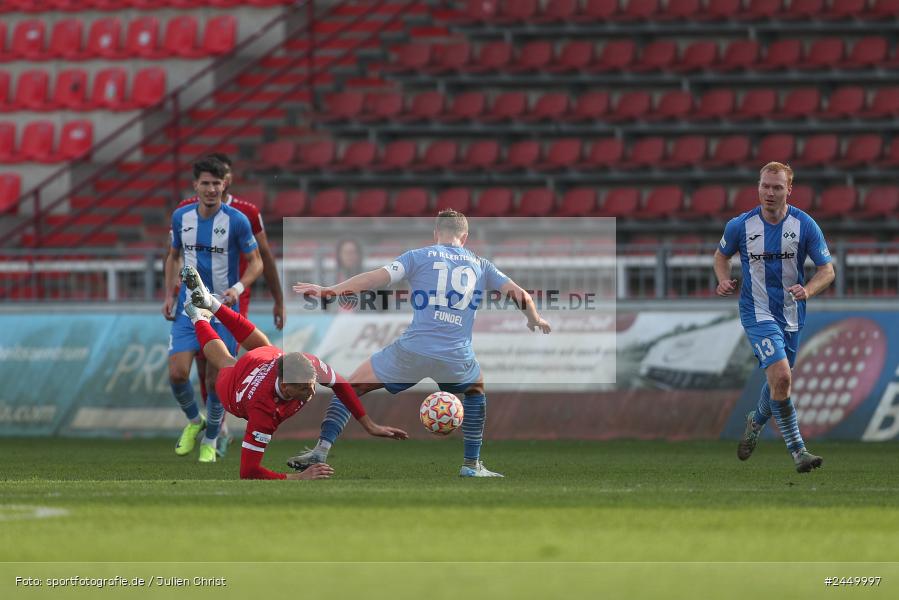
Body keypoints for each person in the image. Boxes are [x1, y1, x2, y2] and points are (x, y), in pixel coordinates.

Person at [290, 209, 552, 477]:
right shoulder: (481, 265)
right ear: (466, 236)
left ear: (436, 233)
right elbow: (521, 296)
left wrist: (330, 291)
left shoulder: (417, 256)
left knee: (349, 387)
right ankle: (471, 465)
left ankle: (321, 450)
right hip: (455, 355)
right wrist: (534, 319)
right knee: (475, 393)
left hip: (412, 351)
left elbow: (374, 278)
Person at [180, 264, 408, 480]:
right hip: (236, 391)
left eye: (311, 384)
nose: (310, 390)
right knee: (226, 361)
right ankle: (197, 317)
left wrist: (369, 425)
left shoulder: (310, 365)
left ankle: (211, 303)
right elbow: (248, 471)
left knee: (265, 347)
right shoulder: (264, 410)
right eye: (303, 387)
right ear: (286, 386)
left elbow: (341, 386)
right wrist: (298, 477)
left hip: (267, 361)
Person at [714, 161, 835, 473]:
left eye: (777, 187)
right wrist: (723, 279)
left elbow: (827, 270)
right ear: (758, 186)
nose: (769, 192)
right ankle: (799, 452)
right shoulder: (740, 226)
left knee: (779, 383)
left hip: (792, 313)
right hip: (756, 311)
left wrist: (808, 290)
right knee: (782, 377)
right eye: (765, 186)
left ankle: (755, 419)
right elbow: (721, 256)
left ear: (789, 190)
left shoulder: (804, 225)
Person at [163, 153, 285, 457]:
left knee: (217, 377)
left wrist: (238, 288)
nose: (211, 189)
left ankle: (211, 440)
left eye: (216, 183)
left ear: (224, 184)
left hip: (219, 308)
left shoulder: (238, 219)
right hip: (188, 305)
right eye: (205, 183)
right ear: (196, 185)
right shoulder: (181, 216)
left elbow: (258, 261)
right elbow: (173, 255)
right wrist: (168, 293)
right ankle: (195, 422)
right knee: (178, 373)